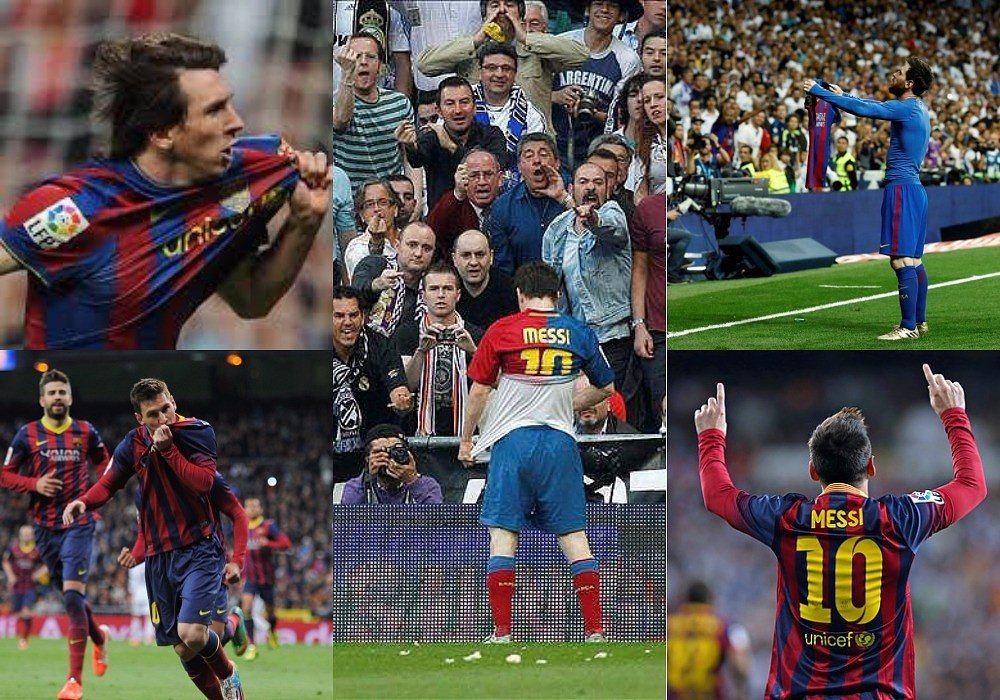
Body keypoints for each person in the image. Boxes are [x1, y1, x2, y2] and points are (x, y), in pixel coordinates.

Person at [0, 33, 331, 350]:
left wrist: (304, 221)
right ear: (161, 132)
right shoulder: (77, 208)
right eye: (215, 110)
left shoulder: (244, 179)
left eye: (230, 104)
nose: (237, 122)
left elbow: (251, 299)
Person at [694, 364, 987, 698]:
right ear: (872, 466)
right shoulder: (900, 518)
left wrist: (711, 436)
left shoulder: (787, 519)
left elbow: (718, 496)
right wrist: (954, 415)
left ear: (812, 470)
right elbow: (972, 485)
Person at [458, 261, 616, 642]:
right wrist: (573, 403)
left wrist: (467, 440)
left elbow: (479, 391)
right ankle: (596, 631)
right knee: (575, 537)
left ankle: (502, 633)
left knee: (503, 535)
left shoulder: (502, 330)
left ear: (519, 295)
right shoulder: (577, 331)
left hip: (513, 442)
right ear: (557, 296)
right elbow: (607, 388)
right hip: (561, 443)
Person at [62, 378, 246, 700]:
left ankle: (229, 674)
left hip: (200, 548)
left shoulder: (197, 431)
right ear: (140, 419)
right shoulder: (133, 446)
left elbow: (204, 483)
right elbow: (109, 483)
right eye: (153, 415)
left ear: (173, 400)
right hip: (161, 558)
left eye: (166, 409)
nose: (163, 420)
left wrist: (168, 451)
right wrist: (84, 502)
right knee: (182, 648)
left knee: (194, 634)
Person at [803, 59, 933, 340]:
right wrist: (842, 95)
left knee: (901, 261)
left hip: (901, 190)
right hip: (915, 190)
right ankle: (919, 323)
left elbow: (868, 109)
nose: (894, 74)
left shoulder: (906, 107)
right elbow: (869, 104)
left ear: (909, 83)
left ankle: (907, 327)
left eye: (899, 72)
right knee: (915, 260)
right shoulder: (919, 108)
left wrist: (819, 91)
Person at [0, 370, 110, 700]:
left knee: (74, 597)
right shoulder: (27, 435)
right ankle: (100, 639)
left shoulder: (86, 431)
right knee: (70, 598)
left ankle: (74, 681)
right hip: (43, 528)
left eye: (63, 391)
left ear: (71, 397)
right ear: (42, 400)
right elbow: (4, 474)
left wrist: (97, 496)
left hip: (78, 520)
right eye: (53, 393)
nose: (58, 397)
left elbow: (105, 463)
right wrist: (34, 484)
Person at [118, 469, 250, 659]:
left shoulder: (204, 476)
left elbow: (238, 514)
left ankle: (234, 621)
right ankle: (232, 630)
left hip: (208, 562)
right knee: (189, 644)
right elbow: (145, 533)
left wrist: (237, 561)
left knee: (211, 640)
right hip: (172, 568)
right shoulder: (143, 491)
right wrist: (135, 555)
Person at [416, 0, 589, 138]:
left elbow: (581, 56)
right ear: (484, 15)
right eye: (494, 5)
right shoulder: (471, 47)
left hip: (532, 146)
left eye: (509, 4)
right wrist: (475, 41)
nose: (501, 10)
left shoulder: (537, 46)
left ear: (521, 14)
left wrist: (526, 38)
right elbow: (425, 65)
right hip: (478, 149)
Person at [542, 162, 632, 392]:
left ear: (608, 189)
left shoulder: (612, 212)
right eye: (584, 182)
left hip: (611, 335)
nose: (590, 187)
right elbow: (549, 287)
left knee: (610, 406)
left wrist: (593, 219)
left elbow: (613, 230)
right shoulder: (556, 229)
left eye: (598, 182)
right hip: (574, 339)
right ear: (573, 188)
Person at [551, 0, 642, 169]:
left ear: (621, 15)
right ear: (587, 9)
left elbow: (625, 118)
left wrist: (591, 112)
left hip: (599, 151)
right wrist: (556, 96)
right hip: (553, 143)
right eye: (598, 3)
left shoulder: (628, 59)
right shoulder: (561, 43)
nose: (605, 10)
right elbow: (531, 91)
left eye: (613, 5)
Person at [332, 286, 413, 474]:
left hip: (373, 453)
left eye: (353, 315)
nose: (347, 322)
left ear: (363, 317)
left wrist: (402, 399)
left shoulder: (380, 345)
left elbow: (398, 386)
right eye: (339, 316)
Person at [398, 261, 484, 436]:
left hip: (467, 435)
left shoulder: (475, 334)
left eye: (447, 289)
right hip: (420, 434)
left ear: (458, 295)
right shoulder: (407, 333)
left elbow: (493, 383)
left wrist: (473, 351)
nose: (441, 295)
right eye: (434, 289)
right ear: (423, 295)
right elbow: (406, 385)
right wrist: (421, 351)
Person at [399, 76, 510, 210]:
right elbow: (417, 159)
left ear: (475, 107)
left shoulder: (492, 135)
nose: (458, 110)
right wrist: (410, 145)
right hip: (444, 219)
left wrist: (451, 146)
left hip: (487, 216)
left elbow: (495, 169)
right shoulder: (433, 137)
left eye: (464, 102)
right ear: (439, 110)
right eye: (450, 103)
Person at [333, 33, 415, 191]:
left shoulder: (400, 103)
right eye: (356, 56)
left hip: (390, 200)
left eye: (370, 57)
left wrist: (415, 198)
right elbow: (342, 119)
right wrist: (347, 74)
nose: (363, 62)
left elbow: (410, 157)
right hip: (350, 201)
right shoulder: (335, 104)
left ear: (380, 65)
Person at [489, 132, 576, 273]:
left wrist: (564, 199)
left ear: (557, 163)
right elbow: (503, 268)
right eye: (529, 156)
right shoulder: (503, 207)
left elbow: (589, 235)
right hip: (525, 290)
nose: (537, 160)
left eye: (543, 155)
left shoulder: (574, 193)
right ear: (519, 167)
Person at [471, 42, 549, 181]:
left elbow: (536, 163)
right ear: (480, 71)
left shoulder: (531, 115)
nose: (499, 74)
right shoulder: (462, 103)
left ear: (515, 73)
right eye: (491, 68)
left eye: (506, 68)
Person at [351, 221, 437, 339]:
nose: (418, 253)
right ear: (397, 246)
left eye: (426, 248)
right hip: (370, 347)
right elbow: (353, 294)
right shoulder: (375, 264)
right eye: (412, 245)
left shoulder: (435, 284)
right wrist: (376, 285)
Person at [667, 580, 750, 699]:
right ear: (710, 599)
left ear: (684, 599)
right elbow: (739, 668)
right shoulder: (724, 626)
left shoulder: (668, 626)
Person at [240, 497, 291, 660]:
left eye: (255, 506)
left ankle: (273, 631)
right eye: (248, 506)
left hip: (266, 577)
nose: (252, 509)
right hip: (250, 578)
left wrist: (268, 543)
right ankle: (252, 645)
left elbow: (286, 543)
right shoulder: (242, 526)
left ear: (260, 509)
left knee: (270, 612)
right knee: (246, 608)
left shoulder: (268, 526)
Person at [426, 149, 504, 256]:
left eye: (488, 174)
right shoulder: (452, 205)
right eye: (474, 176)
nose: (482, 182)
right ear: (462, 178)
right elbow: (432, 232)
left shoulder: (511, 207)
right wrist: (458, 193)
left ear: (500, 179)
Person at [341, 424, 444, 504]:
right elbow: (348, 525)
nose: (390, 457)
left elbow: (436, 523)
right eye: (381, 452)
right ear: (368, 459)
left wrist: (412, 481)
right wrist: (368, 478)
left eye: (396, 451)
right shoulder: (355, 487)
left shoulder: (428, 485)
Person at [452, 229, 520, 329]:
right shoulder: (445, 288)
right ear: (454, 259)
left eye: (480, 255)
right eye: (466, 255)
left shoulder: (510, 290)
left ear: (491, 256)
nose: (473, 262)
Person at [343, 179, 404, 282]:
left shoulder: (408, 238)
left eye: (383, 202)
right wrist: (376, 242)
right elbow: (364, 284)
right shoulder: (356, 248)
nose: (377, 209)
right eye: (369, 204)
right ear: (361, 215)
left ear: (395, 209)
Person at [3, 525, 47, 649]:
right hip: (16, 586)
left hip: (29, 586)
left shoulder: (37, 550)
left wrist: (39, 574)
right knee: (17, 613)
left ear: (32, 535)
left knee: (26, 611)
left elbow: (47, 564)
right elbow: (5, 562)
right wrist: (11, 576)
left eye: (29, 534)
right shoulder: (14, 549)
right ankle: (26, 619)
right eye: (24, 534)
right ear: (20, 535)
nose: (27, 536)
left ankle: (24, 639)